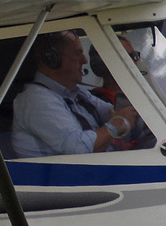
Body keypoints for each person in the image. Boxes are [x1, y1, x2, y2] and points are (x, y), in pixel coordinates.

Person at [11, 31, 140, 157]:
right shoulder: (36, 100)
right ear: (52, 59)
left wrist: (122, 117)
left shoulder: (76, 94)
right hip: (64, 177)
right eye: (77, 54)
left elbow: (113, 111)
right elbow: (79, 150)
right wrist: (116, 124)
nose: (84, 60)